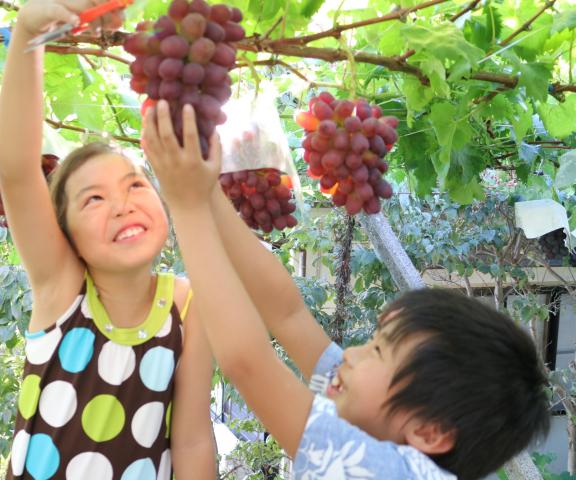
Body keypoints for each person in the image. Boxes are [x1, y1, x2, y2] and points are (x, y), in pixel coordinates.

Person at [142, 99, 551, 480]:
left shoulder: (384, 469)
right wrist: (207, 191)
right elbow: (287, 314)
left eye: (377, 351)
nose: (350, 355)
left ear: (429, 431)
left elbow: (247, 361)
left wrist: (187, 204)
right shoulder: (375, 422)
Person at [0, 2, 216, 478]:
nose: (121, 204)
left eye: (135, 184)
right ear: (66, 237)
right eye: (93, 200)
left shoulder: (187, 307)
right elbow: (16, 171)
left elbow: (194, 438)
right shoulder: (63, 290)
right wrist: (27, 31)